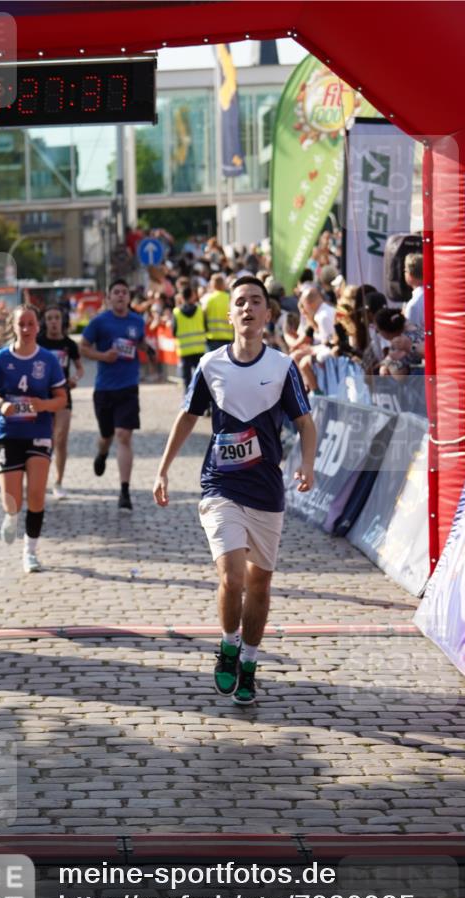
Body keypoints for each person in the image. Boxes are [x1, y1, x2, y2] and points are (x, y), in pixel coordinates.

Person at [153, 276, 317, 706]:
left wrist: (308, 463)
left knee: (260, 584)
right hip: (220, 485)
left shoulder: (282, 367)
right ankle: (228, 644)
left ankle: (249, 660)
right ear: (229, 315)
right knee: (232, 577)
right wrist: (163, 470)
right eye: (239, 302)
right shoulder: (210, 365)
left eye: (255, 302)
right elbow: (187, 417)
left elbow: (305, 422)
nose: (247, 308)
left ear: (267, 314)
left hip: (266, 489)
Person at [0, 305, 67, 572]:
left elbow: (62, 399)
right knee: (12, 499)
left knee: (36, 495)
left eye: (31, 323)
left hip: (39, 433)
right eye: (22, 324)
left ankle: (30, 552)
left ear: (38, 326)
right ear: (14, 327)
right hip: (9, 434)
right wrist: (0, 404)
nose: (27, 329)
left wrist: (43, 405)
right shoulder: (1, 359)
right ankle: (11, 515)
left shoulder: (48, 360)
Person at [81, 279, 156, 511]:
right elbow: (82, 347)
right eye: (117, 292)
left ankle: (124, 491)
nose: (121, 296)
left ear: (129, 297)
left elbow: (138, 342)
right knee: (107, 436)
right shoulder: (99, 322)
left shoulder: (136, 321)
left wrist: (147, 349)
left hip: (128, 387)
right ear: (109, 297)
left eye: (124, 292)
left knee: (124, 435)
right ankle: (102, 453)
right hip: (104, 388)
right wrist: (104, 356)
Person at [37, 305, 84, 500]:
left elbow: (80, 369)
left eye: (57, 317)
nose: (53, 322)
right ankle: (38, 480)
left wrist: (75, 379)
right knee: (44, 439)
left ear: (62, 321)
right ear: (45, 322)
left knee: (61, 438)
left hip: (63, 395)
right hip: (42, 397)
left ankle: (58, 482)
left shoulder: (69, 344)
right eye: (49, 318)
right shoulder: (39, 342)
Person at [172, 284, 207, 389]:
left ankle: (188, 401)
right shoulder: (200, 310)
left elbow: (174, 332)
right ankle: (200, 401)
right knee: (200, 378)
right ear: (192, 296)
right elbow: (206, 327)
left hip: (184, 351)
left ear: (181, 297)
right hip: (199, 349)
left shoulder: (176, 312)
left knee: (187, 379)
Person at [202, 273, 233, 350]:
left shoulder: (208, 299)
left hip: (212, 338)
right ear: (223, 285)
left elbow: (202, 317)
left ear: (212, 285)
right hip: (228, 338)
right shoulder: (230, 299)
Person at [402, 253, 425, 333]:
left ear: (410, 275)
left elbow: (412, 336)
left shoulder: (413, 305)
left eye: (405, 270)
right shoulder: (436, 294)